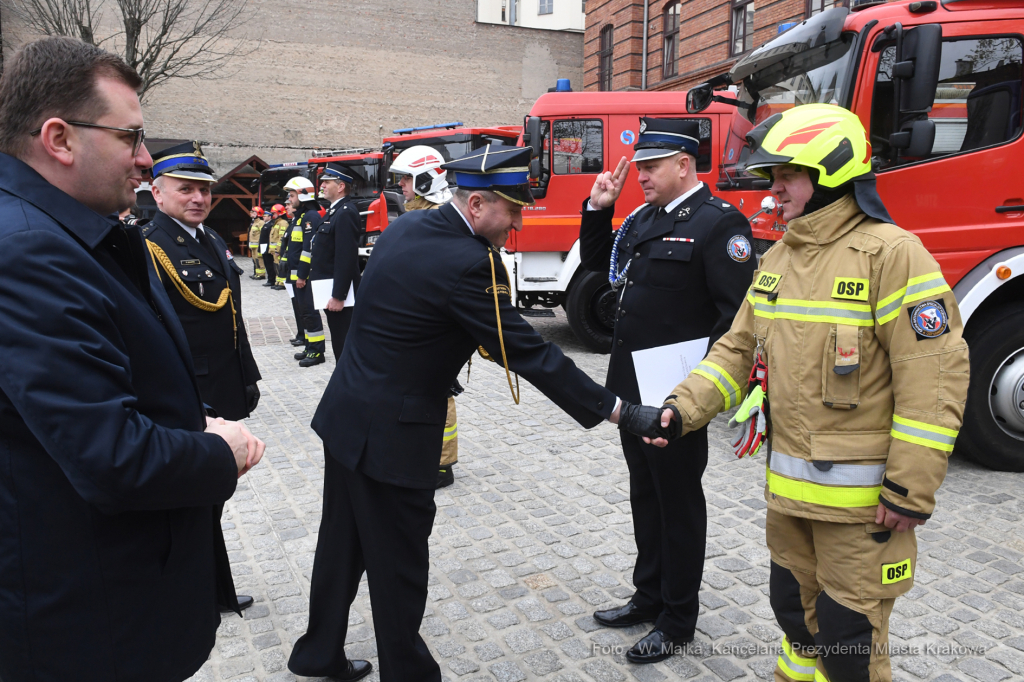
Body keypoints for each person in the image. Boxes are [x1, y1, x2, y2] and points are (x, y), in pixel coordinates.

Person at [288, 145, 660, 682]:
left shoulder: (408, 229)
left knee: (341, 545)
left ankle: (317, 653)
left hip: (347, 413)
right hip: (394, 432)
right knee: (400, 564)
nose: (517, 223)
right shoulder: (468, 262)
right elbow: (529, 352)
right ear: (479, 203)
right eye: (512, 211)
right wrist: (618, 411)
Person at [640, 104, 970, 682]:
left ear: (830, 174)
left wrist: (909, 490)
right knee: (794, 620)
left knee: (849, 645)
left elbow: (934, 376)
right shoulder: (781, 257)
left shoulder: (892, 255)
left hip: (863, 514)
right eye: (772, 177)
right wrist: (681, 408)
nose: (774, 191)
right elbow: (735, 350)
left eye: (786, 176)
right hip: (788, 505)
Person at [0, 37, 264, 682]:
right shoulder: (29, 251)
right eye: (131, 138)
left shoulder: (71, 231)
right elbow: (109, 456)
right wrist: (218, 451)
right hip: (89, 625)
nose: (146, 160)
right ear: (59, 139)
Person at [578, 117, 755, 663]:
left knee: (677, 503)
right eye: (641, 168)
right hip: (633, 391)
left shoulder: (719, 225)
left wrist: (697, 396)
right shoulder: (643, 217)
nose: (641, 178)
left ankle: (678, 617)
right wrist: (598, 211)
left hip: (679, 398)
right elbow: (599, 272)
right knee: (644, 494)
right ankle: (648, 594)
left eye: (651, 168)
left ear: (684, 165)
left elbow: (737, 322)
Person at [389, 146, 460, 487]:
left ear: (424, 179)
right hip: (414, 321)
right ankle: (421, 453)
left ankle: (442, 464)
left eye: (405, 178)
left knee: (439, 392)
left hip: (435, 324)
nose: (401, 185)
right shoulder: (420, 213)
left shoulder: (442, 215)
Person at [310, 162, 361, 362]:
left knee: (344, 344)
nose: (321, 186)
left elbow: (345, 257)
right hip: (329, 290)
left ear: (340, 186)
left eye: (326, 182)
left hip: (340, 297)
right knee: (340, 341)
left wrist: (339, 295)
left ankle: (348, 385)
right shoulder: (335, 211)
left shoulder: (345, 212)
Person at [284, 175, 327, 367]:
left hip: (305, 277)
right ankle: (310, 346)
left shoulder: (310, 217)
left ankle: (317, 352)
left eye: (292, 195)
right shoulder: (300, 216)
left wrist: (302, 275)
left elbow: (308, 250)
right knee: (304, 313)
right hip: (298, 276)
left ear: (302, 196)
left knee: (309, 313)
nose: (290, 200)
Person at [248, 206, 266, 279]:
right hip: (253, 246)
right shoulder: (254, 223)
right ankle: (257, 273)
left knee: (259, 260)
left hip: (258, 245)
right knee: (255, 260)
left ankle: (261, 274)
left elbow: (263, 234)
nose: (251, 213)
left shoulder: (261, 223)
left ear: (258, 213)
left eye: (253, 212)